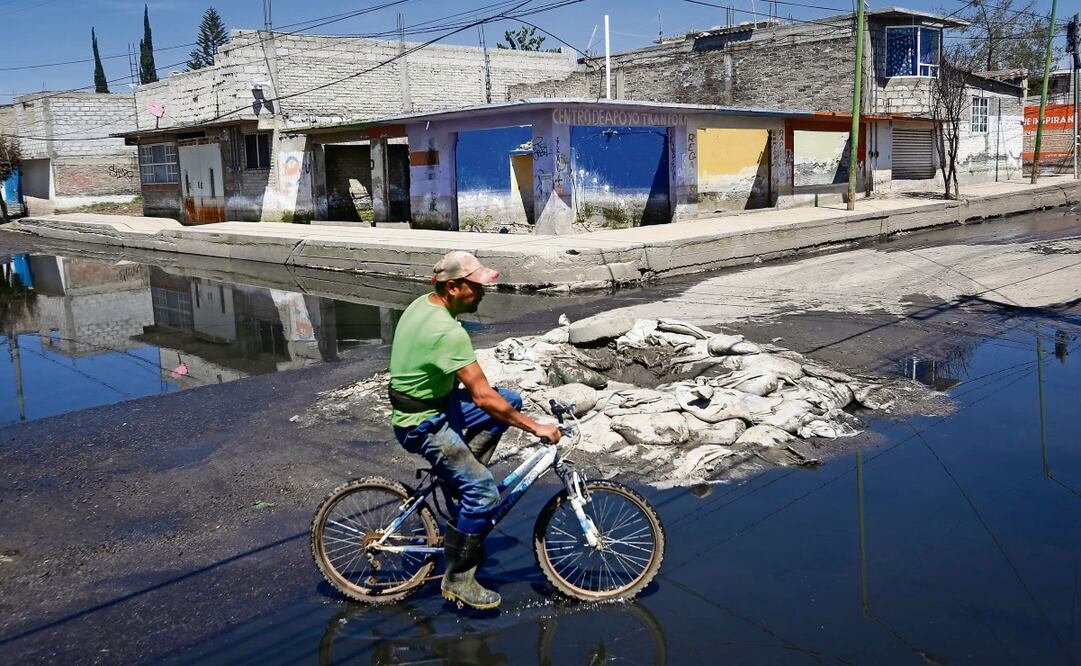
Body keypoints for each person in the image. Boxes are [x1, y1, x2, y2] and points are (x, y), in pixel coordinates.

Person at [388, 250, 561, 610]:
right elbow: (482, 397)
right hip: (423, 422)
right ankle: (458, 581)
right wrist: (537, 428)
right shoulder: (447, 333)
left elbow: (490, 397)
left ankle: (461, 479)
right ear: (452, 287)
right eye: (476, 286)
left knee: (509, 400)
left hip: (435, 403)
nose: (482, 293)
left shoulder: (424, 303)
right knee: (483, 493)